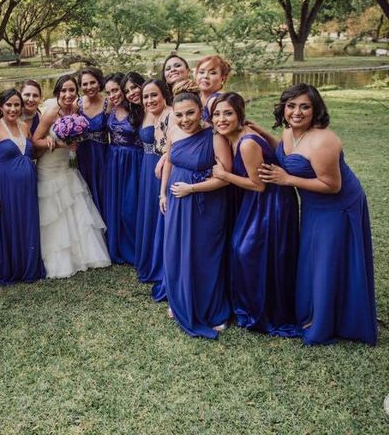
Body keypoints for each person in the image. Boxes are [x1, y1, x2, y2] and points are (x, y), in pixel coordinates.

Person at [257, 83, 377, 345]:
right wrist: (260, 132)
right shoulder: (290, 132)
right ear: (283, 107)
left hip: (337, 205)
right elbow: (289, 152)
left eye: (304, 107)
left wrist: (286, 179)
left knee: (328, 260)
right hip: (312, 205)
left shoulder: (325, 140)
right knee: (312, 258)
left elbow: (332, 186)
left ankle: (329, 322)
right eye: (291, 106)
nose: (296, 112)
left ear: (315, 109)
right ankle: (312, 312)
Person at [210, 92, 299, 337]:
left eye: (228, 113)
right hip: (260, 201)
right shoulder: (238, 136)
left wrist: (224, 175)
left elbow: (258, 184)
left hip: (270, 203)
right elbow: (275, 150)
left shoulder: (247, 142)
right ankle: (253, 304)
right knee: (251, 252)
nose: (221, 119)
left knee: (246, 251)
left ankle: (261, 310)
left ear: (239, 114)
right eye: (216, 114)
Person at [159, 81, 231, 339]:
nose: (184, 119)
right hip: (176, 200)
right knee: (177, 251)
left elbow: (225, 177)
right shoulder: (174, 131)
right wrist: (162, 192)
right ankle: (179, 300)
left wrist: (192, 189)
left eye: (190, 112)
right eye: (179, 114)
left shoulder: (215, 137)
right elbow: (169, 160)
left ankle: (210, 309)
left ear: (201, 110)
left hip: (205, 203)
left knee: (204, 255)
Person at [32, 75, 111, 278]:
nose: (68, 94)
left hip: (67, 165)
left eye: (71, 90)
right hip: (49, 165)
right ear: (57, 92)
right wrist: (57, 143)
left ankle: (82, 255)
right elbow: (35, 142)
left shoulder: (76, 110)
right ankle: (59, 260)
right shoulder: (50, 113)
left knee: (73, 207)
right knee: (55, 213)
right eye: (64, 91)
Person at [0, 88, 45, 283]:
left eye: (17, 104)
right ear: (1, 106)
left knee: (26, 224)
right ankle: (11, 269)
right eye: (9, 104)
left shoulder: (25, 127)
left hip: (27, 188)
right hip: (5, 187)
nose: (13, 108)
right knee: (9, 226)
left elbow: (33, 154)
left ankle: (28, 267)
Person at [135, 79, 172, 284]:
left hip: (165, 170)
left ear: (164, 94)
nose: (149, 100)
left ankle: (163, 265)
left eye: (154, 95)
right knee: (151, 214)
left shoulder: (172, 114)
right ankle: (152, 259)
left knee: (162, 215)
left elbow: (177, 142)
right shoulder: (152, 114)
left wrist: (165, 157)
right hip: (148, 167)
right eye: (146, 96)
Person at [104, 72, 143, 264]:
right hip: (113, 160)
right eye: (109, 92)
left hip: (133, 160)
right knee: (116, 206)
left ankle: (135, 249)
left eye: (116, 90)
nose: (113, 95)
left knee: (130, 206)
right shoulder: (109, 109)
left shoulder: (137, 109)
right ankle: (117, 247)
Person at [76, 67, 109, 216]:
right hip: (82, 154)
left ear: (99, 82)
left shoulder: (109, 103)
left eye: (92, 82)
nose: (89, 87)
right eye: (85, 84)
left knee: (103, 191)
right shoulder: (77, 104)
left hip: (102, 156)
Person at [195, 55, 230, 122]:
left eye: (212, 73)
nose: (205, 76)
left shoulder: (219, 101)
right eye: (201, 72)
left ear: (222, 78)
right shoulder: (196, 96)